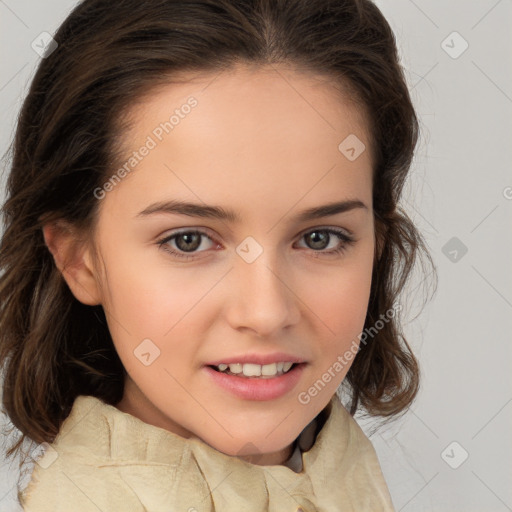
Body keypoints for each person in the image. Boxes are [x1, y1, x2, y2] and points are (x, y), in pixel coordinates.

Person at [0, 0, 437, 510]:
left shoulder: (346, 473)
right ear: (79, 259)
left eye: (320, 238)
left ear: (378, 245)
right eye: (189, 240)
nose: (266, 312)